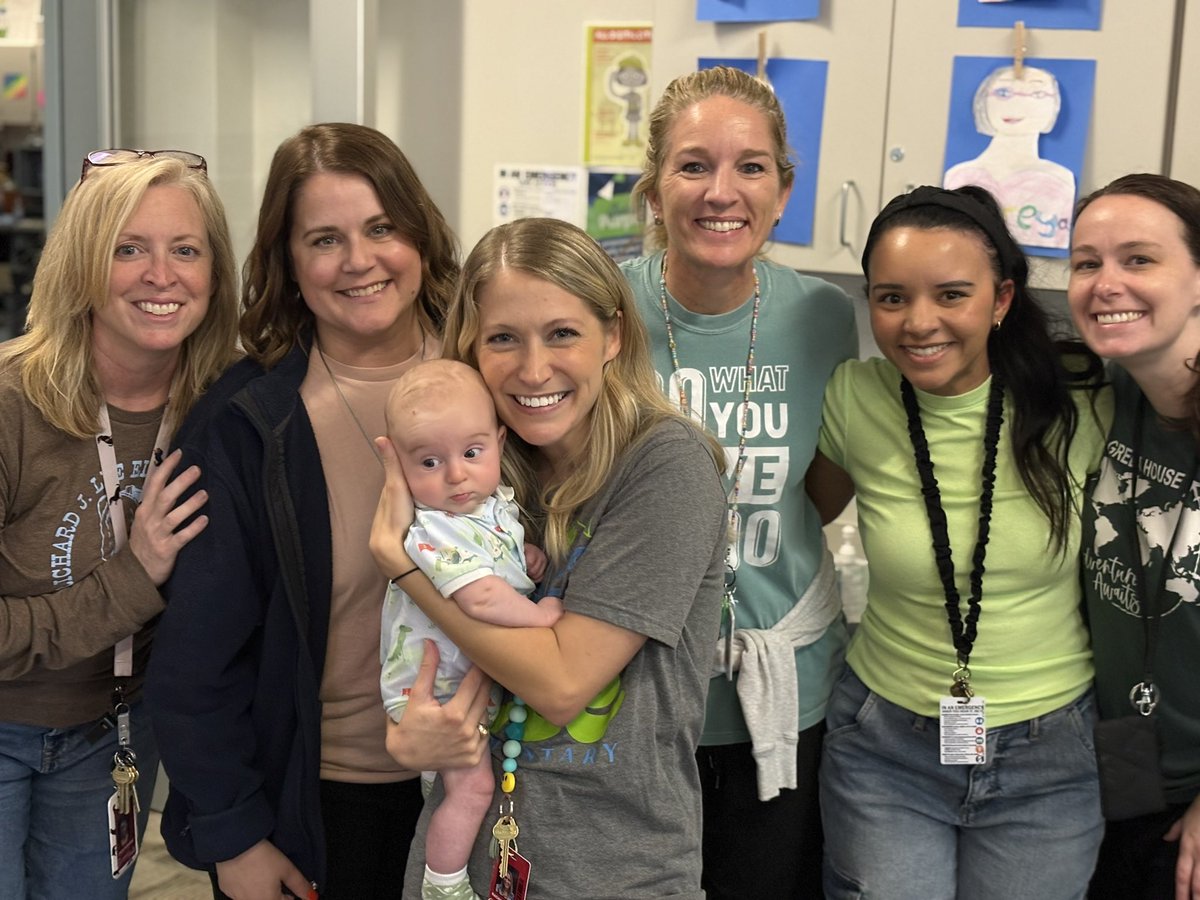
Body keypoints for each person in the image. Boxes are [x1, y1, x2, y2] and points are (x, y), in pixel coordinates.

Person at [145, 123, 461, 900]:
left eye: (381, 228)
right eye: (324, 239)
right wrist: (234, 837)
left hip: (486, 784)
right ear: (288, 263)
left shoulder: (494, 378)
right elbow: (193, 664)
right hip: (323, 807)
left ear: (420, 235)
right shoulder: (245, 424)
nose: (359, 260)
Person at [371, 216, 728, 899]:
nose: (533, 369)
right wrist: (408, 740)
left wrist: (407, 570)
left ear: (613, 336)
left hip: (612, 874)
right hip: (461, 869)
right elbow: (410, 670)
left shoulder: (666, 467)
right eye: (503, 339)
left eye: (562, 333)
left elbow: (563, 683)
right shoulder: (472, 471)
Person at [809, 185, 1111, 900]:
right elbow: (800, 518)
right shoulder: (856, 396)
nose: (919, 324)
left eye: (951, 295)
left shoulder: (1083, 398)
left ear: (1001, 298)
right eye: (890, 298)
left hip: (1051, 755)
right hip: (886, 747)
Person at [622, 64, 858, 898]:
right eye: (693, 165)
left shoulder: (823, 317)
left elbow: (823, 491)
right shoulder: (604, 310)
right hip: (634, 698)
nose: (722, 192)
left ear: (784, 190)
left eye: (750, 166)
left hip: (781, 703)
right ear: (654, 189)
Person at [0, 150, 239, 898]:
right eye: (127, 249)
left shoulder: (226, 405)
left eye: (186, 250)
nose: (160, 275)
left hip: (121, 736)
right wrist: (130, 581)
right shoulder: (12, 403)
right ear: (81, 266)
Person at [379, 358, 561, 900]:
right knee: (472, 788)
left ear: (500, 444)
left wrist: (522, 556)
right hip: (427, 695)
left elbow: (493, 563)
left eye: (472, 453)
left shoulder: (490, 507)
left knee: (466, 786)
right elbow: (479, 597)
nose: (455, 475)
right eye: (430, 461)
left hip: (461, 684)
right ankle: (443, 884)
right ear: (401, 467)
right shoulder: (431, 525)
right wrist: (541, 616)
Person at [1067, 173, 1200, 900]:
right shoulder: (1106, 395)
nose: (1106, 283)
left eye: (1139, 259)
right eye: (1087, 263)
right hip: (1119, 772)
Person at [943, 65, 1075, 250]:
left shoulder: (1059, 180)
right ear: (983, 100)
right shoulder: (959, 176)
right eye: (1003, 93)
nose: (1016, 104)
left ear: (1054, 106)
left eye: (1037, 94)